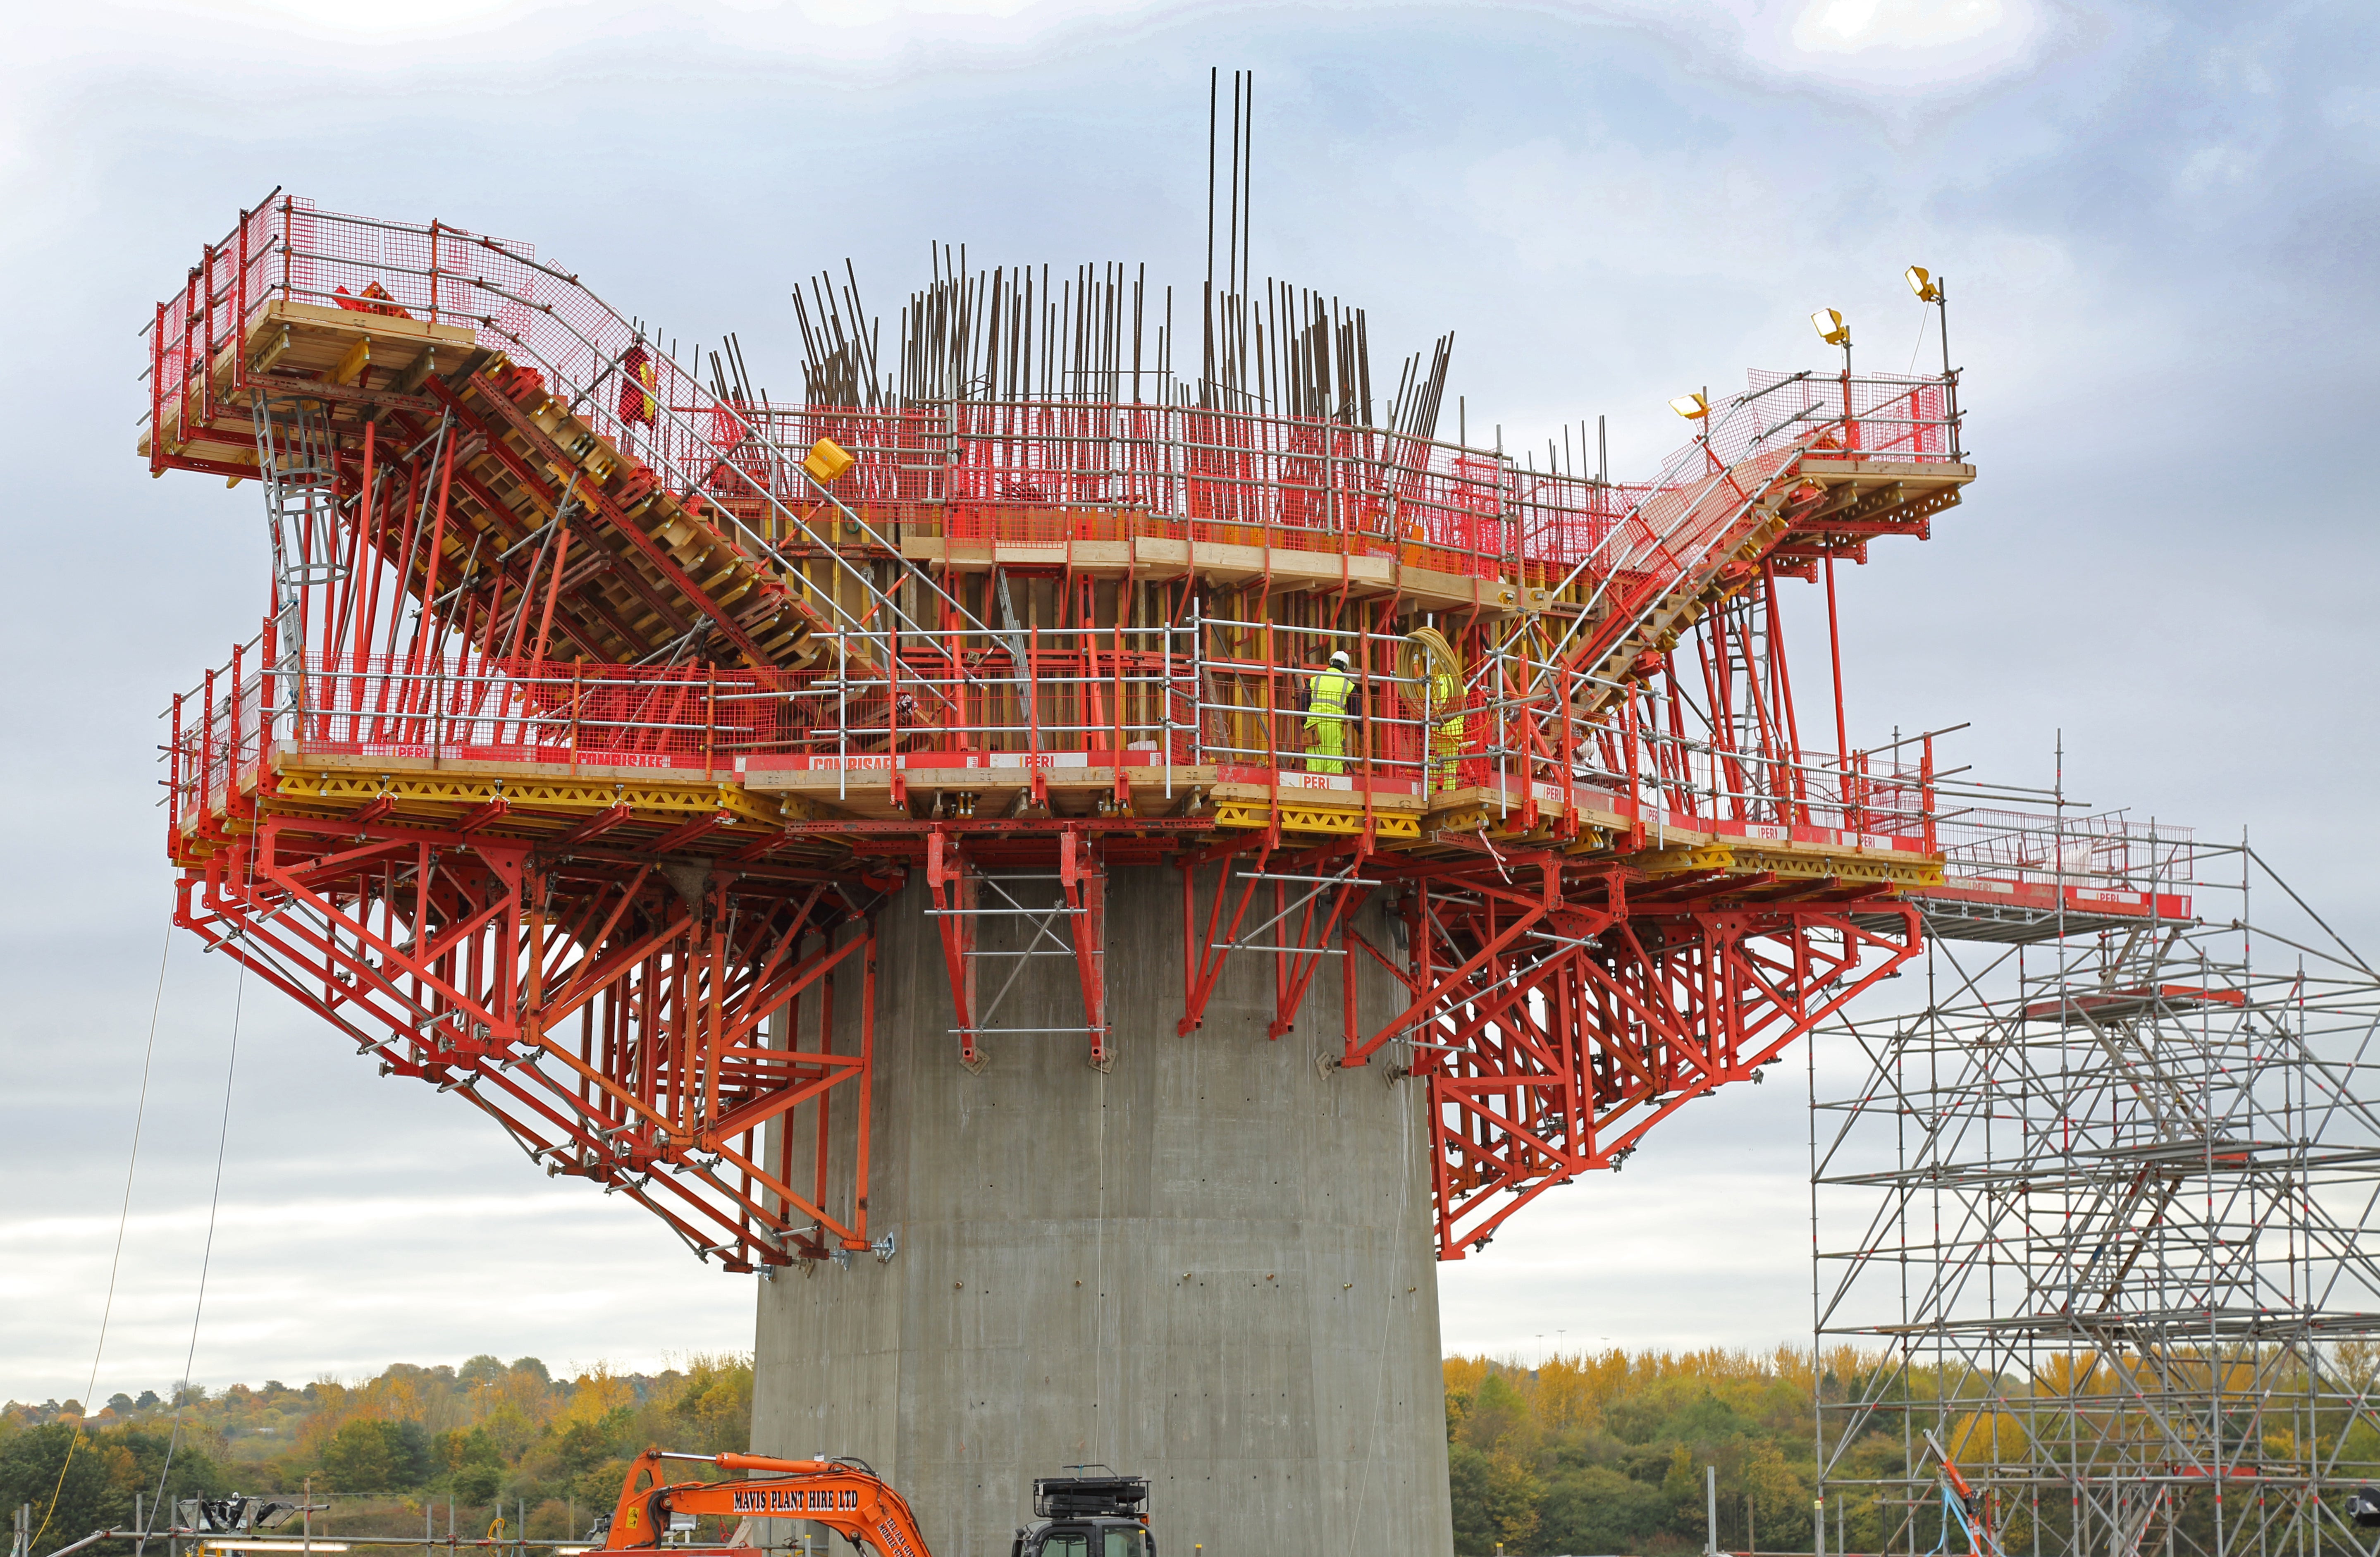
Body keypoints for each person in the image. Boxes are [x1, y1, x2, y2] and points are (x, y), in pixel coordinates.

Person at [1304, 647, 1354, 774]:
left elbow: (1302, 704)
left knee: (1315, 758)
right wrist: (1361, 731)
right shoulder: (1348, 685)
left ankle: (1313, 787)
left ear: (1331, 663)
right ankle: (1333, 789)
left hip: (1314, 726)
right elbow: (1356, 711)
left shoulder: (1315, 680)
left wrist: (1305, 724)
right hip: (1334, 727)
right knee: (1334, 759)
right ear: (1345, 667)